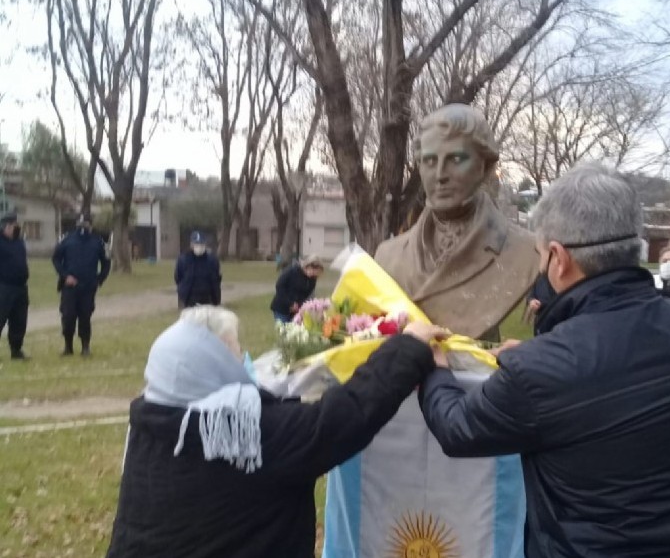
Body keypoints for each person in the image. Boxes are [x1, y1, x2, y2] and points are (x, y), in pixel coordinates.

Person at [419, 163, 670, 557]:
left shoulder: (540, 370)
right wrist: (538, 360)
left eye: (540, 255)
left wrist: (433, 363)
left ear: (558, 259)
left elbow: (458, 428)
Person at [105, 305, 444, 558]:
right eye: (235, 351)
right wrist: (408, 348)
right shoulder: (243, 432)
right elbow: (340, 420)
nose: (242, 360)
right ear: (215, 359)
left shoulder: (152, 422)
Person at [375, 103, 538, 341]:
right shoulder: (388, 256)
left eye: (456, 159)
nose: (440, 174)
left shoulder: (526, 251)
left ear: (485, 166)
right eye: (429, 161)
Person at [52, 213, 111, 357]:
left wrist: (99, 279)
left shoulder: (98, 242)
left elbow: (106, 262)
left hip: (88, 286)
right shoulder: (67, 239)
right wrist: (65, 276)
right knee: (68, 316)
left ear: (90, 225)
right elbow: (56, 259)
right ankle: (68, 347)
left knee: (85, 316)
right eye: (80, 224)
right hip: (70, 287)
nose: (83, 227)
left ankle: (85, 347)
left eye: (85, 224)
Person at [0, 212, 29, 360]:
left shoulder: (19, 242)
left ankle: (16, 350)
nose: (16, 228)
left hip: (21, 287)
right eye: (13, 226)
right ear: (6, 227)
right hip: (4, 287)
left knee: (19, 320)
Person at [174, 231, 222, 308]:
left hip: (208, 299)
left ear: (205, 245)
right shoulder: (183, 259)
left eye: (201, 244)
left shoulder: (212, 260)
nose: (199, 246)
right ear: (191, 245)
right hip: (188, 299)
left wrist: (216, 299)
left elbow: (217, 279)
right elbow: (178, 277)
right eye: (196, 244)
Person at [270, 255, 323, 323]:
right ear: (307, 266)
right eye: (312, 271)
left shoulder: (312, 279)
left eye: (316, 272)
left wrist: (303, 306)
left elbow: (307, 294)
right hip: (282, 307)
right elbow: (279, 287)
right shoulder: (292, 271)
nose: (313, 274)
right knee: (284, 330)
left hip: (297, 310)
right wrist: (290, 304)